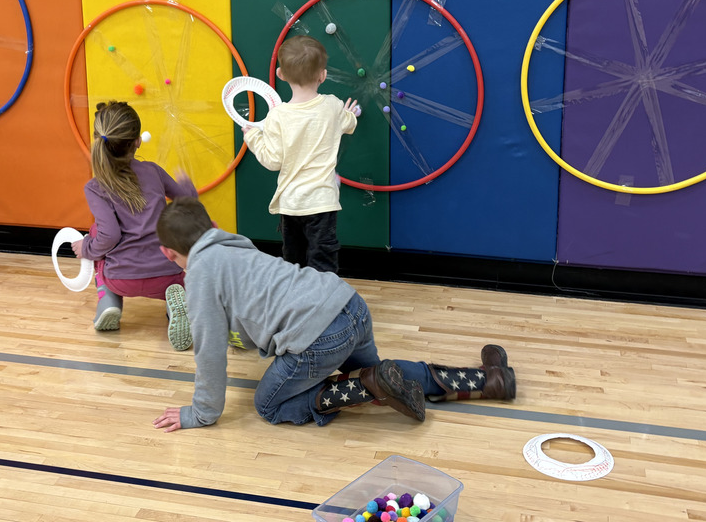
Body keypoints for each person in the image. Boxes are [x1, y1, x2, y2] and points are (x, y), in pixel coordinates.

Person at [151, 197, 516, 432]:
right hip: (349, 304)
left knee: (267, 405)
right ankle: (489, 380)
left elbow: (209, 355)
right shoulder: (233, 244)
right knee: (383, 373)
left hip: (319, 337)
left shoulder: (199, 275)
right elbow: (249, 310)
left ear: (169, 254)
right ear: (212, 228)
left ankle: (362, 388)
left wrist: (200, 414)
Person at [70, 100, 195, 351]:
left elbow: (109, 235)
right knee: (175, 271)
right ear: (137, 141)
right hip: (166, 275)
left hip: (120, 278)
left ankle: (109, 302)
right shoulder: (153, 171)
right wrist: (187, 185)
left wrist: (85, 247)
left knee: (95, 236)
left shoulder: (95, 187)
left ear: (99, 140)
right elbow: (187, 201)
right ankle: (174, 305)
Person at [242, 35, 358, 274]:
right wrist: (350, 114)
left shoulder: (278, 116)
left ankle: (296, 305)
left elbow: (272, 161)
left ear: (280, 74)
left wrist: (252, 137)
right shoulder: (333, 105)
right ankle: (326, 306)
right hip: (322, 202)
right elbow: (349, 124)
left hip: (291, 204)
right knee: (323, 261)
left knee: (293, 263)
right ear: (322, 75)